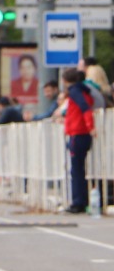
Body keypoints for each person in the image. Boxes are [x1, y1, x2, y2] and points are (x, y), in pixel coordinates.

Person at [60, 67, 95, 214]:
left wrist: (90, 126)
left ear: (65, 81)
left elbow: (84, 108)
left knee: (76, 170)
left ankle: (78, 202)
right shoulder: (85, 91)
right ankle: (82, 200)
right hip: (83, 133)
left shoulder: (74, 92)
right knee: (80, 168)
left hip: (78, 132)